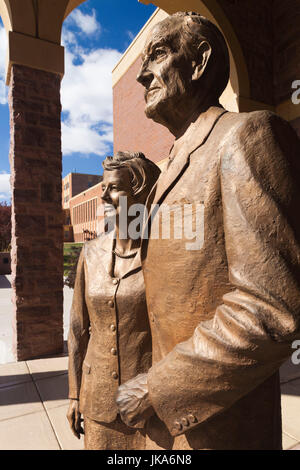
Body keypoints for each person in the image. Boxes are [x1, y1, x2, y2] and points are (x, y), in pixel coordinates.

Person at [116, 12, 300, 450]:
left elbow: (271, 307)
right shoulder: (170, 168)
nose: (142, 75)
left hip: (223, 426)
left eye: (158, 55)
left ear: (198, 61)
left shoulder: (248, 135)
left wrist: (158, 388)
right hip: (168, 431)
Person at [67, 151, 160, 450]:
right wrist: (74, 393)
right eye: (103, 188)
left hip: (149, 407)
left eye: (114, 188)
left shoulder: (163, 255)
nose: (103, 197)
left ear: (141, 195)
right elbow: (78, 330)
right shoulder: (90, 253)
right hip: (97, 402)